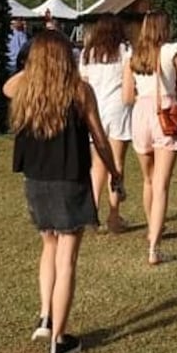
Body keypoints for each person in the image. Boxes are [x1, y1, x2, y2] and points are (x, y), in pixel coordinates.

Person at [3, 30, 120, 353]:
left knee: (49, 247)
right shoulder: (80, 91)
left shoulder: (25, 89)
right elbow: (99, 138)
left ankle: (45, 318)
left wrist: (38, 67)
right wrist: (113, 171)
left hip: (36, 180)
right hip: (69, 179)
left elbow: (8, 86)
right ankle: (59, 341)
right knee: (66, 258)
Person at [122, 11, 177, 265]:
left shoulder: (132, 54)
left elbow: (127, 97)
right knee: (162, 184)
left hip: (140, 114)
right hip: (166, 113)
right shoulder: (172, 50)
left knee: (148, 180)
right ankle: (154, 246)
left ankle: (152, 228)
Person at [79, 15, 132, 234]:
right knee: (117, 163)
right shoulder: (124, 51)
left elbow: (83, 82)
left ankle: (91, 215)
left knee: (97, 165)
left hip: (94, 109)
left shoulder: (86, 53)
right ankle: (113, 216)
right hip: (118, 108)